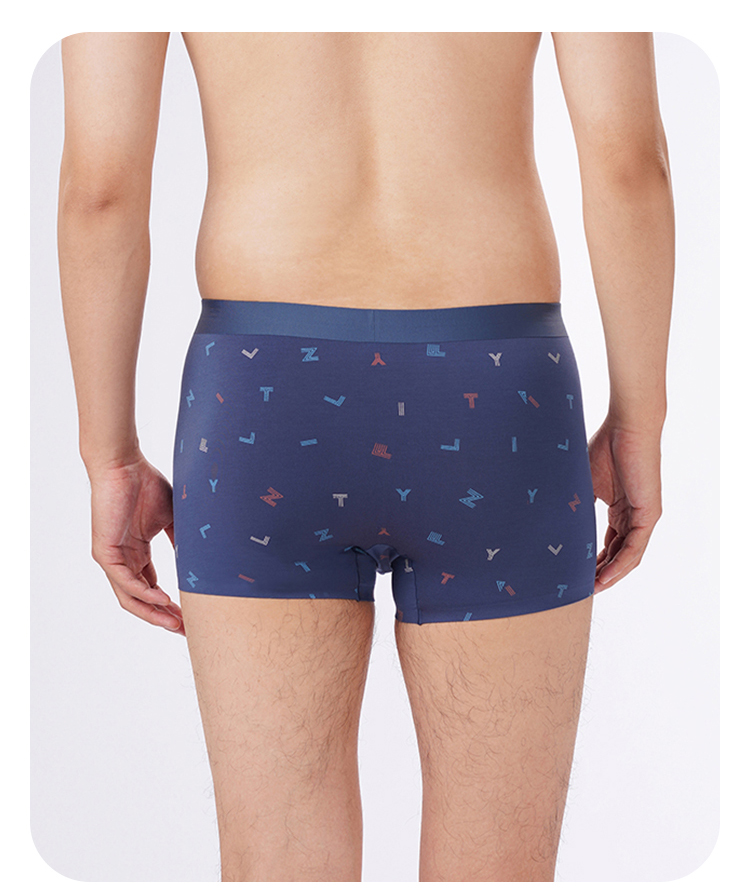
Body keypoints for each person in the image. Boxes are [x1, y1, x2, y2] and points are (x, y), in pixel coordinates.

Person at [57, 32, 674, 883]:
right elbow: (629, 162)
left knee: (277, 865)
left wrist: (109, 457)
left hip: (261, 394)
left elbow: (99, 190)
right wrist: (641, 421)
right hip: (497, 391)